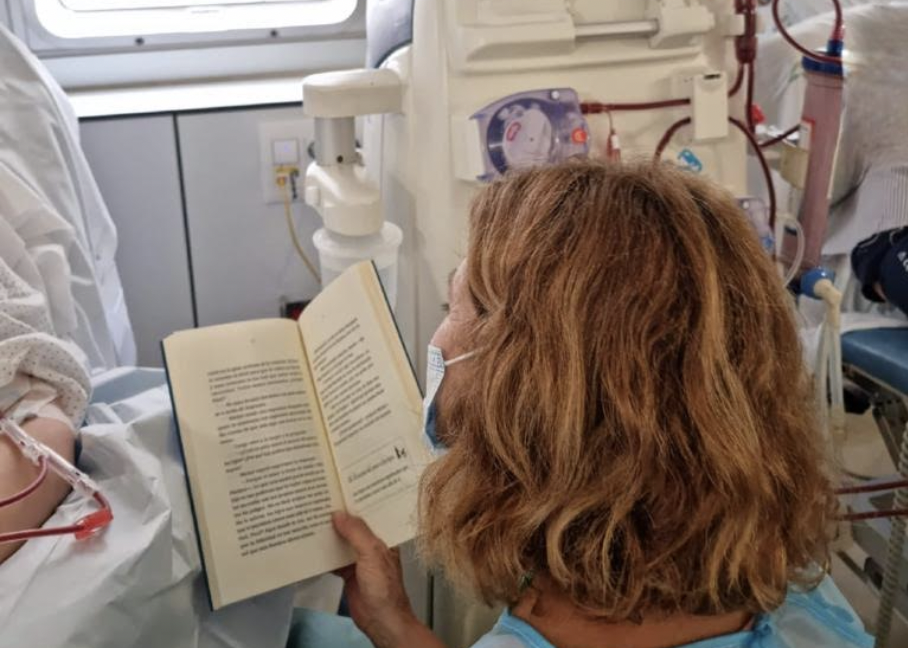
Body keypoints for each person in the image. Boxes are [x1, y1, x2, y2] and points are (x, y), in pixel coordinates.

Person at [330, 161, 871, 648]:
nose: (439, 337)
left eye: (455, 304)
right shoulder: (802, 594)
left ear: (525, 385)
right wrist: (394, 623)